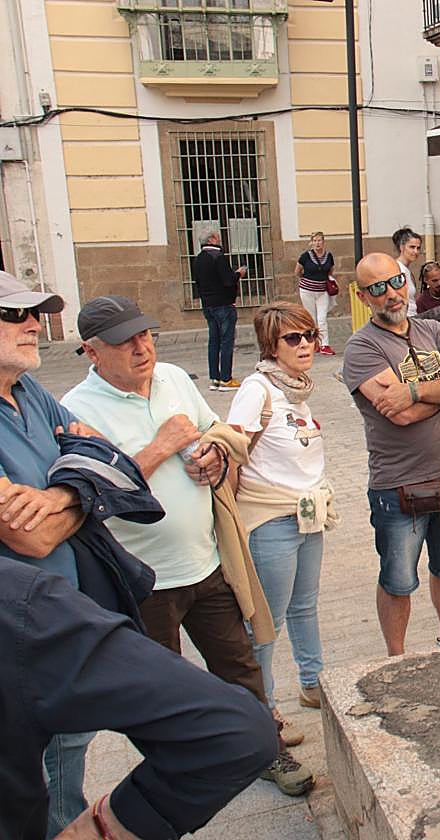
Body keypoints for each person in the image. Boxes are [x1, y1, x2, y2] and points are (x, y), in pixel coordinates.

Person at [62, 295, 314, 797]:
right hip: (142, 580)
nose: (141, 348)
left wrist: (215, 455)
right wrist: (160, 446)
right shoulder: (74, 409)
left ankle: (266, 751)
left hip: (207, 563)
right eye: (124, 341)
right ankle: (181, 777)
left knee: (240, 670)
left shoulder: (175, 377)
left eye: (145, 334)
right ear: (92, 352)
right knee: (160, 691)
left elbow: (215, 431)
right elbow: (92, 498)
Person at [2, 555, 279, 840]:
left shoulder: (18, 602)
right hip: (148, 591)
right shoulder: (18, 602)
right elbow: (236, 735)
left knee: (238, 667)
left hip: (198, 571)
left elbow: (235, 735)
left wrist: (75, 507)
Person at [343, 253, 440, 655]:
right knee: (398, 580)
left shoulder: (434, 329)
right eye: (378, 288)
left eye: (396, 282)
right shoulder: (361, 348)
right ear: (365, 296)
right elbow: (398, 414)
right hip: (398, 485)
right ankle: (396, 659)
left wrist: (417, 390)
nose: (391, 294)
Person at [0, 272, 95, 836]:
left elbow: (105, 463)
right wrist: (86, 493)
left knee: (68, 756)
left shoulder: (30, 391)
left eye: (34, 312)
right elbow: (29, 538)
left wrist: (62, 493)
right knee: (23, 783)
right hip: (14, 641)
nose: (34, 324)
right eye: (14, 315)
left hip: (61, 620)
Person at [228, 302, 334, 724]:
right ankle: (261, 708)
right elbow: (233, 450)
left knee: (305, 605)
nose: (306, 344)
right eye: (294, 338)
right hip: (271, 519)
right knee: (265, 622)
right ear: (272, 345)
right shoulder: (258, 389)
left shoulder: (296, 387)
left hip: (308, 513)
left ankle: (314, 684)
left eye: (310, 335)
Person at [193, 226, 247, 391]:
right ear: (211, 240)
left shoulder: (198, 259)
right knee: (226, 341)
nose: (219, 239)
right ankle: (226, 379)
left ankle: (214, 378)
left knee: (213, 342)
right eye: (216, 237)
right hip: (223, 304)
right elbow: (228, 280)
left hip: (208, 305)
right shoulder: (218, 257)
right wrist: (239, 273)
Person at [294, 230, 338, 356]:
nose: (317, 243)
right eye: (315, 240)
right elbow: (297, 271)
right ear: (311, 242)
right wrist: (307, 279)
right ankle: (314, 343)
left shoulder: (329, 256)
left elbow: (330, 271)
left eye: (319, 240)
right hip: (307, 291)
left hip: (322, 291)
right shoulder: (306, 256)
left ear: (323, 242)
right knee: (312, 318)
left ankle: (325, 344)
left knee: (322, 318)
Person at [392, 226, 423, 317]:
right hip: (406, 318)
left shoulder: (406, 270)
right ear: (402, 247)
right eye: (412, 247)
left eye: (418, 248)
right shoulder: (398, 269)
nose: (415, 251)